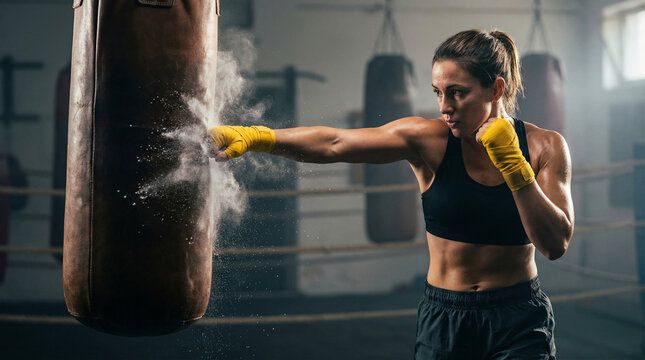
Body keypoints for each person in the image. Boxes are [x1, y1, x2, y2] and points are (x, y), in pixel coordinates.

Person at [209, 29, 573, 360]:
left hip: (518, 317)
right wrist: (259, 136)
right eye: (438, 93)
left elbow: (555, 244)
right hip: (445, 317)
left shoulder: (545, 147)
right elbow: (336, 142)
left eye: (458, 93)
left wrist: (514, 166)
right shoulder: (427, 140)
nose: (445, 107)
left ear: (496, 89)